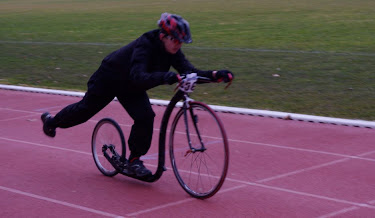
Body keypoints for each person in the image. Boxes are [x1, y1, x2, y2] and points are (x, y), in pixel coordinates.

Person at [41, 13, 234, 178]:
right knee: (84, 111)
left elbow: (189, 72)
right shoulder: (146, 44)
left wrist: (215, 75)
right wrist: (166, 77)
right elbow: (139, 76)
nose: (178, 45)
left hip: (131, 86)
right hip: (109, 78)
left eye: (181, 42)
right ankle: (52, 121)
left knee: (145, 116)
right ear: (163, 36)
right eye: (175, 40)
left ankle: (134, 160)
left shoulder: (173, 50)